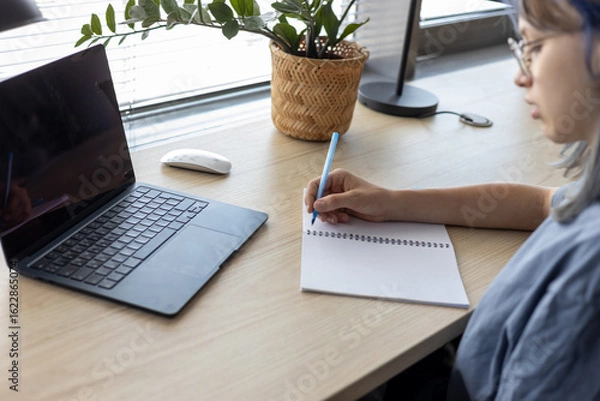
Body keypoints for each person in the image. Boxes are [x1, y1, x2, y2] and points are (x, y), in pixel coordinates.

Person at [304, 0, 600, 400]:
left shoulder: (589, 271)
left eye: (534, 47)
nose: (520, 76)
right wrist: (391, 202)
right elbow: (541, 204)